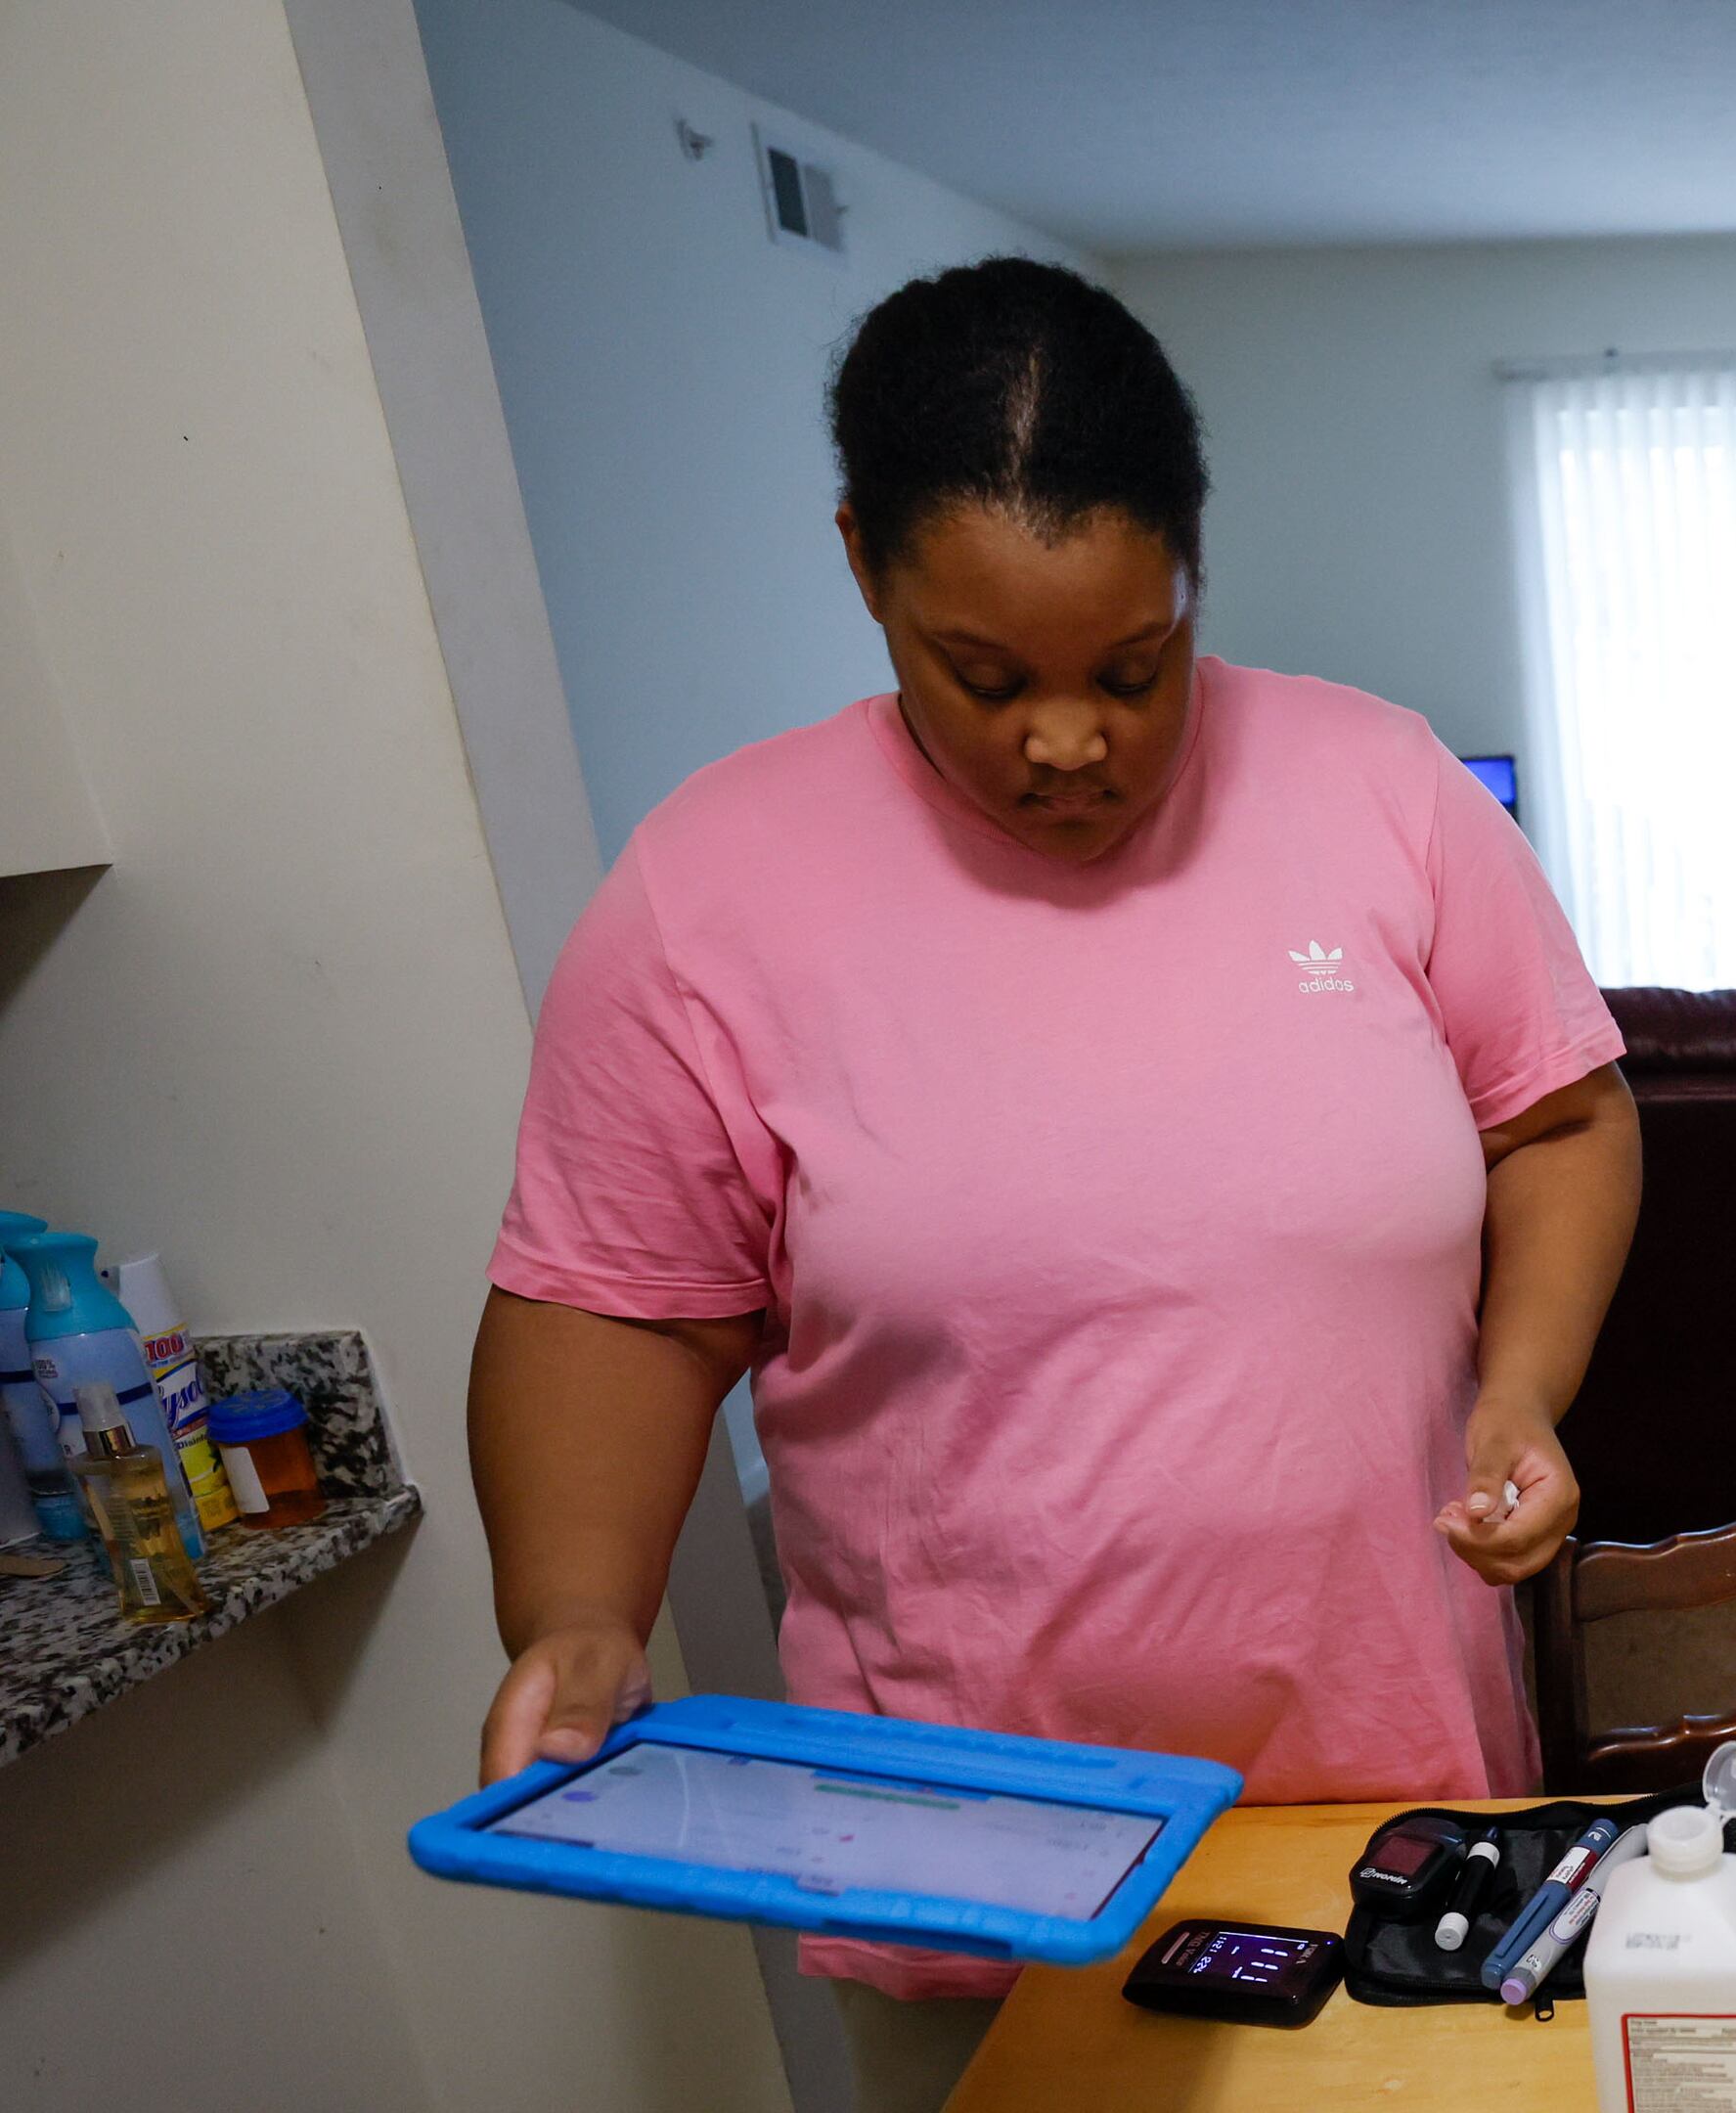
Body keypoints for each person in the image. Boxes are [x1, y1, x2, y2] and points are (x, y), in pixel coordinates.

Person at [466, 258, 1639, 2112]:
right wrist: (579, 1608)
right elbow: (615, 1303)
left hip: (1388, 1799)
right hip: (969, 1854)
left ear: (1193, 574)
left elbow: (1559, 1121)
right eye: (988, 676)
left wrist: (1520, 1390)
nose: (1071, 740)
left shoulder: (1385, 788)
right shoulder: (707, 896)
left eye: (1134, 667)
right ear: (864, 570)